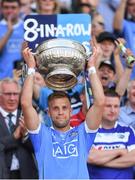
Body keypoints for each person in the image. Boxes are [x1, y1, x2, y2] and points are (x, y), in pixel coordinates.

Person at [21, 43, 105, 179]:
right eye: (55, 108)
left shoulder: (82, 134)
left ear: (71, 111)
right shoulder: (41, 135)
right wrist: (31, 68)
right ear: (48, 112)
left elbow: (100, 102)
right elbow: (26, 103)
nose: (60, 112)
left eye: (64, 108)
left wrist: (91, 68)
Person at [88, 89, 135, 179]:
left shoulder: (128, 130)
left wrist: (102, 161)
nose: (113, 110)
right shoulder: (90, 131)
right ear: (100, 107)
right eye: (108, 106)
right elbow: (91, 158)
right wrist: (120, 151)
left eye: (116, 106)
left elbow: (133, 158)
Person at [0, 78, 38, 179]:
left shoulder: (29, 115)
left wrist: (25, 135)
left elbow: (38, 148)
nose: (12, 98)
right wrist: (14, 137)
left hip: (27, 175)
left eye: (15, 94)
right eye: (8, 94)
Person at [0, 0, 24, 79]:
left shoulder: (27, 26)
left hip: (23, 77)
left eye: (13, 7)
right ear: (1, 8)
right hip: (2, 78)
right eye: (6, 7)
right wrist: (9, 31)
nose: (9, 11)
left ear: (19, 8)